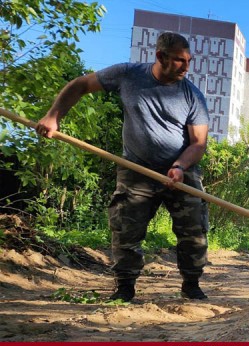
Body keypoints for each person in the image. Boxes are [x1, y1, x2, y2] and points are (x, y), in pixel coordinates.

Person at [36, 32, 210, 302]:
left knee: (193, 231)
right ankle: (125, 286)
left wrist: (179, 166)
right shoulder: (128, 75)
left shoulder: (193, 96)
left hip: (181, 171)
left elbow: (198, 143)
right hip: (135, 168)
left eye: (189, 61)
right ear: (160, 56)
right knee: (126, 230)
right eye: (179, 61)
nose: (186, 67)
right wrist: (53, 116)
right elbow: (80, 85)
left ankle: (191, 284)